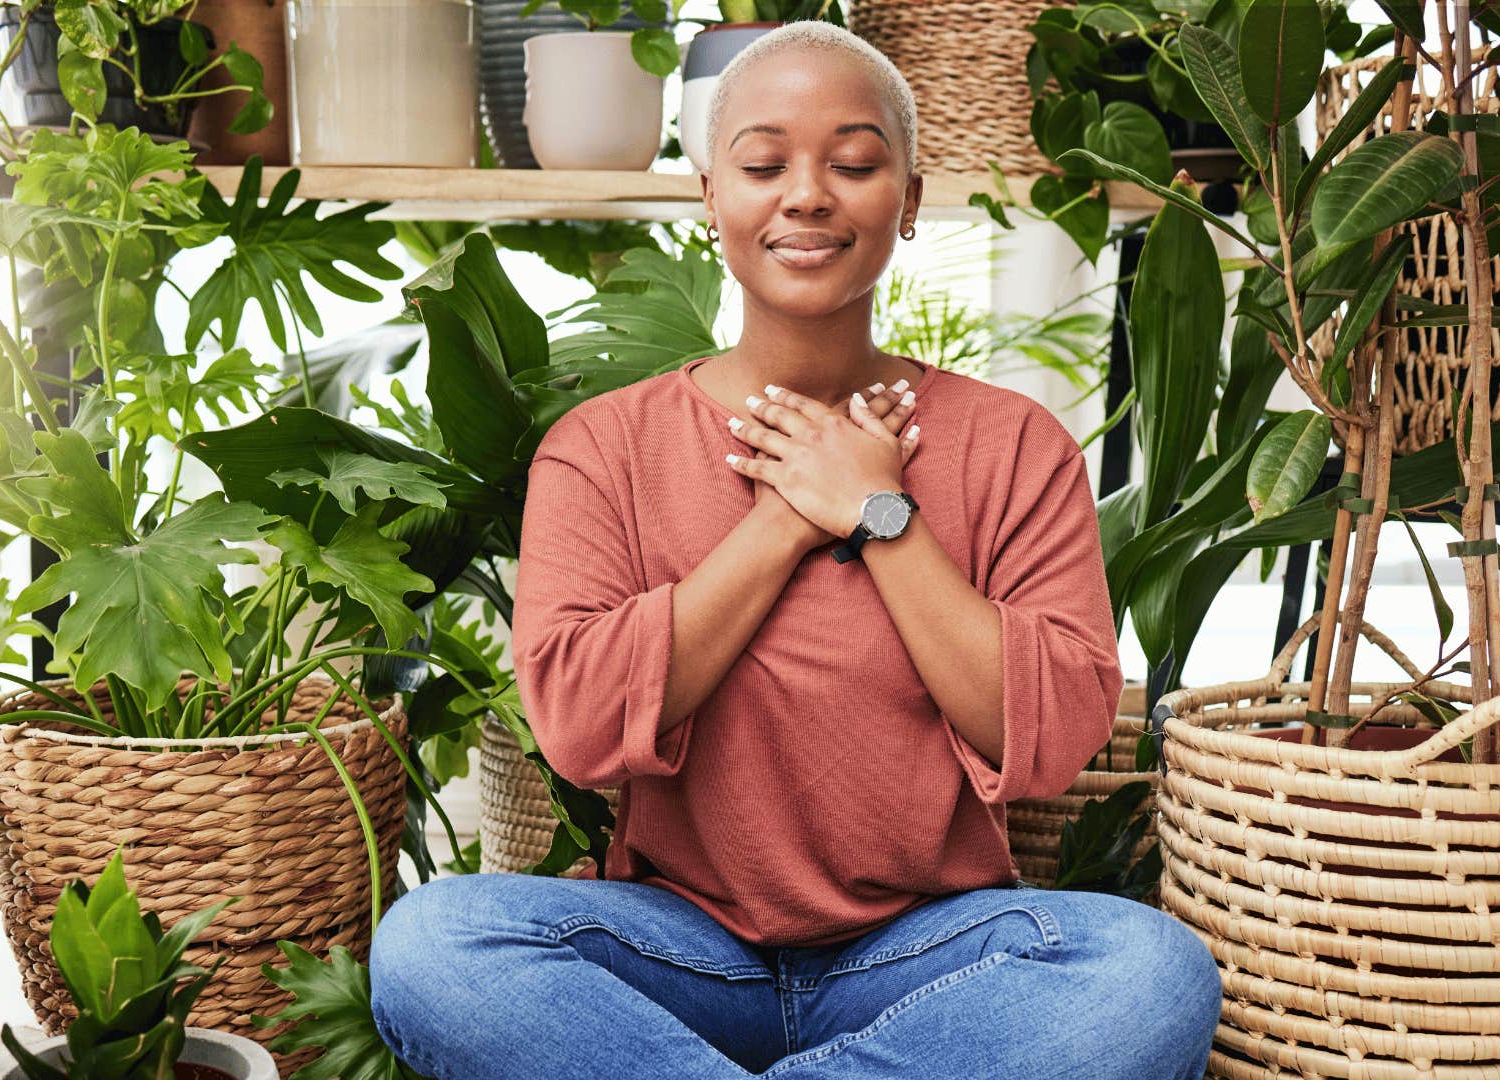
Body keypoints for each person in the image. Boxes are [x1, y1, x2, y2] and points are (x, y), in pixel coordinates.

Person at [366, 20, 1221, 1080]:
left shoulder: (1012, 446)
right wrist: (786, 517)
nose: (807, 195)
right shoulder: (604, 447)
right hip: (673, 951)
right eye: (764, 164)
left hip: (930, 958)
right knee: (435, 945)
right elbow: (581, 730)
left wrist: (880, 513)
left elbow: (1047, 736)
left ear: (908, 203)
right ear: (710, 196)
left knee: (1151, 975)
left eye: (855, 164)